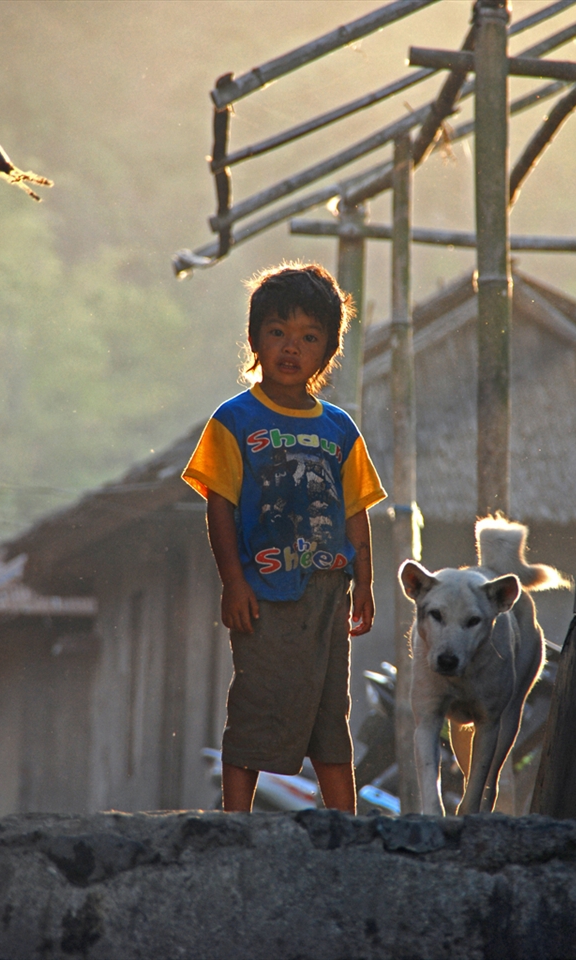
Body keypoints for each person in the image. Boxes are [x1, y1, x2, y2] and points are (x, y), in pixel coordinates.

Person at [182, 262, 386, 813]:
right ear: (254, 338)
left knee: (328, 713)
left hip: (327, 592)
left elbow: (356, 513)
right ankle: (235, 822)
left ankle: (346, 825)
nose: (291, 348)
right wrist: (233, 582)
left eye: (308, 337)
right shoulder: (234, 420)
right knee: (257, 701)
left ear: (327, 351)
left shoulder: (340, 430)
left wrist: (363, 582)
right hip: (265, 593)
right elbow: (218, 507)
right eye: (277, 332)